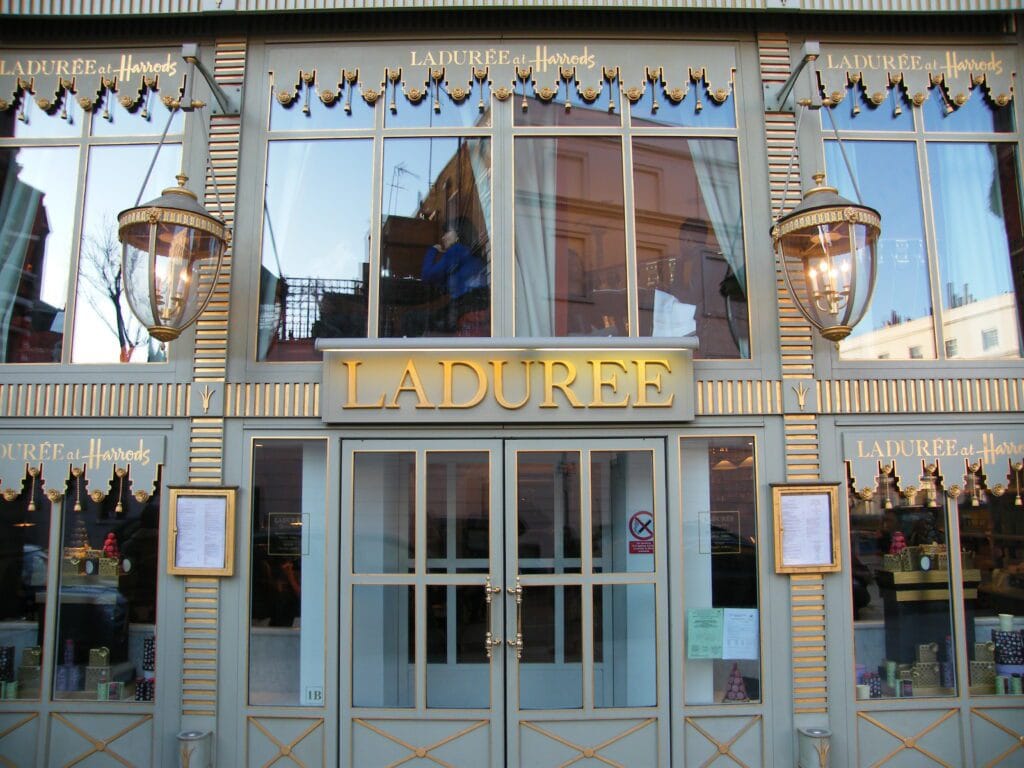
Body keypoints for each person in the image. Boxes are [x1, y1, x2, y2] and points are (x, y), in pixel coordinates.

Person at [421, 228, 488, 334]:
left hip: (465, 306)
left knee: (416, 320)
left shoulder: (456, 250)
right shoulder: (467, 254)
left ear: (458, 236)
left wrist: (432, 250)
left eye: (447, 232)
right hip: (477, 304)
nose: (443, 237)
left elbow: (427, 275)